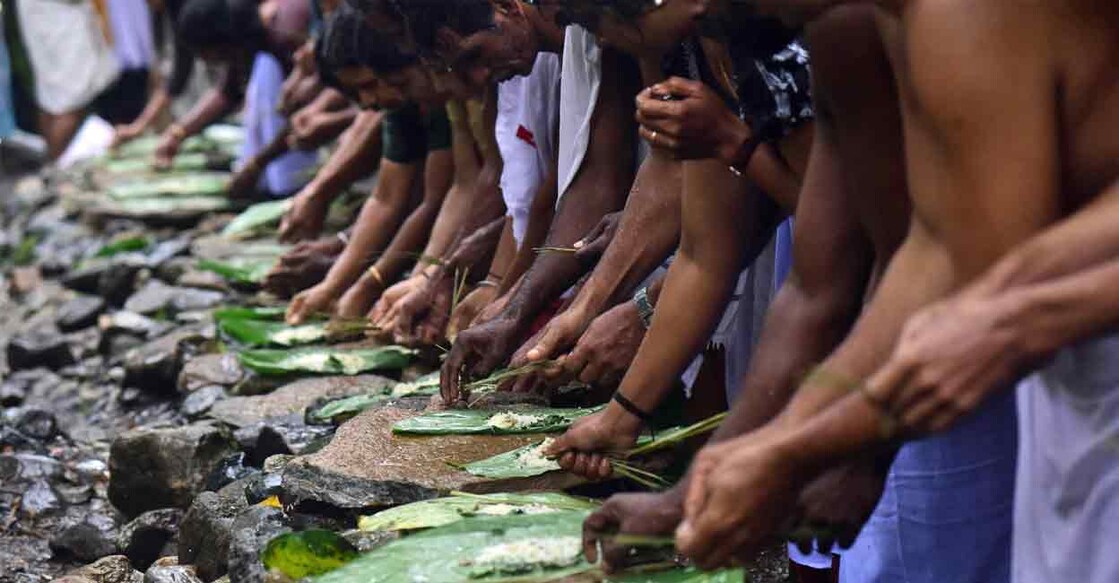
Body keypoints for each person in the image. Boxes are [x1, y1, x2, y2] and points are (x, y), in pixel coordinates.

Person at [673, 3, 1119, 583]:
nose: (702, 7)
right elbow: (937, 251)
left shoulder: (962, 14)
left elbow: (989, 286)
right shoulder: (873, 25)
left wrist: (802, 447)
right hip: (1068, 389)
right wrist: (782, 440)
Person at [15, 0, 119, 159]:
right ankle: (55, 168)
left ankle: (51, 167)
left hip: (46, 17)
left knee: (52, 102)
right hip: (60, 20)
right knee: (68, 105)